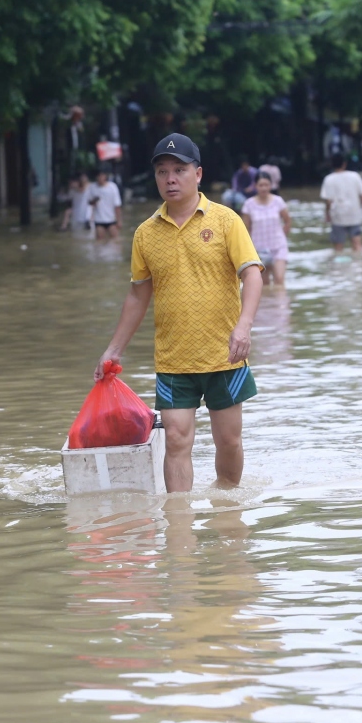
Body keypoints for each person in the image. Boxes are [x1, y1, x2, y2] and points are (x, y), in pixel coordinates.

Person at [95, 133, 263, 493]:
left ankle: (227, 512)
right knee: (175, 440)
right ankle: (180, 533)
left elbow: (252, 273)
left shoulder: (225, 221)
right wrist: (113, 349)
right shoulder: (145, 234)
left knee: (229, 442)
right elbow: (138, 295)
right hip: (173, 359)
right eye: (162, 172)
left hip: (225, 355)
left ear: (198, 174)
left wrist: (244, 326)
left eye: (179, 170)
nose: (170, 179)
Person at [240, 171, 291, 286]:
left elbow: (287, 221)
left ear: (271, 185)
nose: (264, 188)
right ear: (255, 186)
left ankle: (281, 303)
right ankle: (269, 304)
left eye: (266, 185)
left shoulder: (278, 201)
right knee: (264, 283)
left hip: (278, 247)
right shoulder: (249, 205)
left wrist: (282, 237)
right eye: (260, 185)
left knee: (279, 280)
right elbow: (246, 228)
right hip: (259, 250)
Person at [320, 153, 362, 256]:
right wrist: (359, 206)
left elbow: (328, 201)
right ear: (344, 164)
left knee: (338, 248)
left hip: (338, 216)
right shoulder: (354, 176)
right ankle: (358, 268)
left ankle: (339, 270)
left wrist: (327, 214)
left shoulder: (328, 179)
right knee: (357, 245)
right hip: (354, 214)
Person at [88, 169, 122, 240]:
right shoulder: (92, 187)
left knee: (115, 241)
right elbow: (90, 203)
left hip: (111, 219)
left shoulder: (112, 187)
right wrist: (95, 200)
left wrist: (119, 221)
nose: (100, 178)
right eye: (98, 176)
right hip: (99, 220)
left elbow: (117, 205)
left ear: (105, 176)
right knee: (100, 241)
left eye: (102, 175)